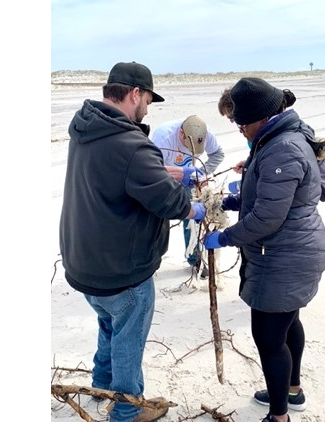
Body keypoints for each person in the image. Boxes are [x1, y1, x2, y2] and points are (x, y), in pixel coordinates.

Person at [59, 61, 206, 422]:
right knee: (127, 337)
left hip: (83, 263)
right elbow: (171, 203)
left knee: (109, 322)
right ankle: (126, 411)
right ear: (135, 93)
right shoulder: (130, 144)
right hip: (121, 271)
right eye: (148, 100)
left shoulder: (87, 129)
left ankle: (101, 383)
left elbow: (120, 173)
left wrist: (162, 170)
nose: (147, 108)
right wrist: (196, 209)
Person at [205, 77, 325, 422]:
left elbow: (267, 218)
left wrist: (226, 237)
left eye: (242, 122)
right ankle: (292, 391)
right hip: (291, 251)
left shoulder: (282, 147)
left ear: (261, 116)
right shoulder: (277, 138)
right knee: (288, 324)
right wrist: (231, 201)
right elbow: (268, 193)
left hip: (285, 257)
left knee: (269, 338)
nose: (240, 129)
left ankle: (279, 416)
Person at [218, 87, 325, 202]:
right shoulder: (257, 131)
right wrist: (250, 165)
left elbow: (276, 182)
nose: (235, 124)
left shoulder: (278, 138)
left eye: (233, 118)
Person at [151, 115, 224, 278]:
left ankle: (195, 258)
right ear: (181, 134)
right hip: (163, 181)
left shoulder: (206, 134)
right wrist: (180, 174)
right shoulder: (163, 137)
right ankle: (152, 258)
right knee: (158, 219)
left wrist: (203, 174)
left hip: (189, 181)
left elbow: (218, 154)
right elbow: (152, 169)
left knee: (192, 219)